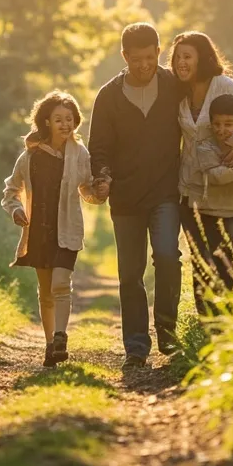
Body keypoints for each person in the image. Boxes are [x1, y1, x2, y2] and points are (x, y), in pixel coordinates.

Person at [88, 22, 184, 369]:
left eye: (149, 57)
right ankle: (136, 347)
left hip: (166, 192)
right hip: (126, 198)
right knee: (130, 273)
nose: (143, 66)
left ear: (158, 52)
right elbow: (98, 148)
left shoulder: (175, 86)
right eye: (135, 60)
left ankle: (169, 334)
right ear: (124, 56)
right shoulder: (109, 96)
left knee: (168, 257)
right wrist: (103, 177)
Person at [2, 90, 104, 367]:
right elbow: (11, 190)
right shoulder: (30, 155)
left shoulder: (79, 154)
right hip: (38, 231)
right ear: (46, 121)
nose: (65, 124)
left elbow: (88, 190)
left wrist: (100, 191)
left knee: (61, 284)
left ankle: (60, 336)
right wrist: (16, 209)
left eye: (69, 119)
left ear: (75, 122)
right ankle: (50, 346)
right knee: (45, 292)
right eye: (58, 119)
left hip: (67, 230)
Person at [169, 31, 233, 317]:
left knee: (222, 262)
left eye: (188, 56)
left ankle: (226, 326)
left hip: (228, 195)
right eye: (177, 57)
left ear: (203, 58)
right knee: (199, 263)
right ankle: (206, 329)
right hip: (192, 191)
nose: (181, 62)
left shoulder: (222, 85)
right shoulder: (177, 89)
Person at [183, 93, 233, 315]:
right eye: (216, 124)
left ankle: (227, 313)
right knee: (205, 262)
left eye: (228, 124)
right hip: (208, 211)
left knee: (226, 259)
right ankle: (207, 314)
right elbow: (218, 176)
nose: (222, 129)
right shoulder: (205, 147)